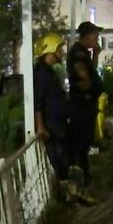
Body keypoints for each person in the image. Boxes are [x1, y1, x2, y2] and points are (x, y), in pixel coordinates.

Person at [33, 33, 77, 201]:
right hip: (52, 126)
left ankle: (67, 194)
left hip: (57, 123)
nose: (62, 53)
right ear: (51, 50)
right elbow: (38, 102)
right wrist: (41, 126)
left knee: (64, 157)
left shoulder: (47, 71)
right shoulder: (42, 74)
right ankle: (65, 196)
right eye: (59, 49)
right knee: (60, 160)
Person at [67, 21, 104, 190]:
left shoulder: (84, 53)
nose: (97, 39)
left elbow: (90, 72)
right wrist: (92, 90)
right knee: (81, 143)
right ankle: (80, 182)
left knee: (85, 141)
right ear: (87, 35)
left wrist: (95, 55)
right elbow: (84, 78)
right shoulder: (78, 54)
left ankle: (84, 176)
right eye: (95, 35)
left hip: (86, 103)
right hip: (82, 105)